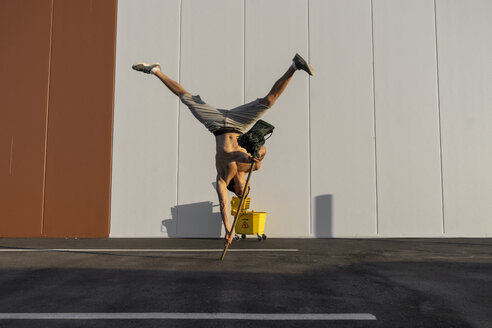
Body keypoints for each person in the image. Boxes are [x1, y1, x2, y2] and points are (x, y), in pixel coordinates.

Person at [132, 53, 314, 245]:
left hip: (215, 125)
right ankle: (295, 65)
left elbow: (224, 200)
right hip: (239, 124)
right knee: (269, 101)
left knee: (186, 98)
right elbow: (264, 150)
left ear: (235, 188)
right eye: (247, 191)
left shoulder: (222, 177)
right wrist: (258, 154)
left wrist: (228, 230)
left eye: (242, 192)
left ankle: (155, 70)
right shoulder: (254, 168)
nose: (245, 190)